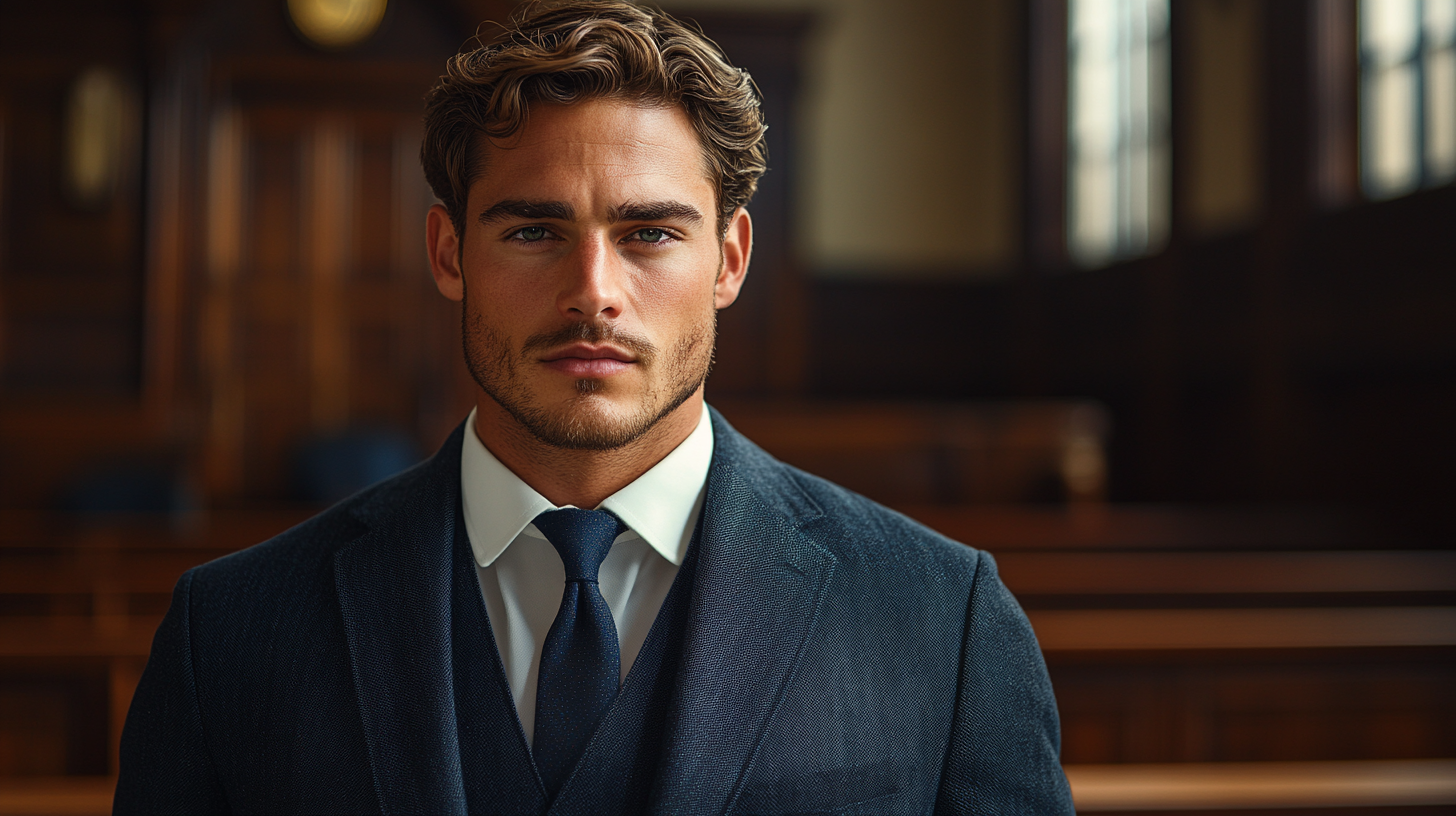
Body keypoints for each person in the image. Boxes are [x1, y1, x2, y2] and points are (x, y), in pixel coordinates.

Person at [114, 1, 1075, 812]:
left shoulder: (942, 619)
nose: (594, 292)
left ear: (730, 260)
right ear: (450, 255)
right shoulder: (229, 630)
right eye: (534, 230)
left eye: (650, 232)